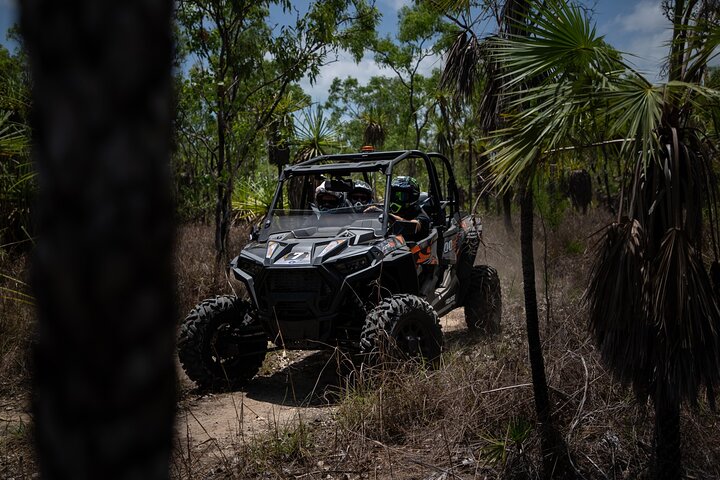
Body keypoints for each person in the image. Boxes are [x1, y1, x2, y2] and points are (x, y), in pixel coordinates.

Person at [388, 176, 430, 241]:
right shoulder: (393, 211)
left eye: (402, 196)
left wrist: (389, 216)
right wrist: (376, 212)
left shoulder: (421, 215)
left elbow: (415, 225)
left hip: (413, 249)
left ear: (412, 196)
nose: (396, 200)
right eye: (394, 195)